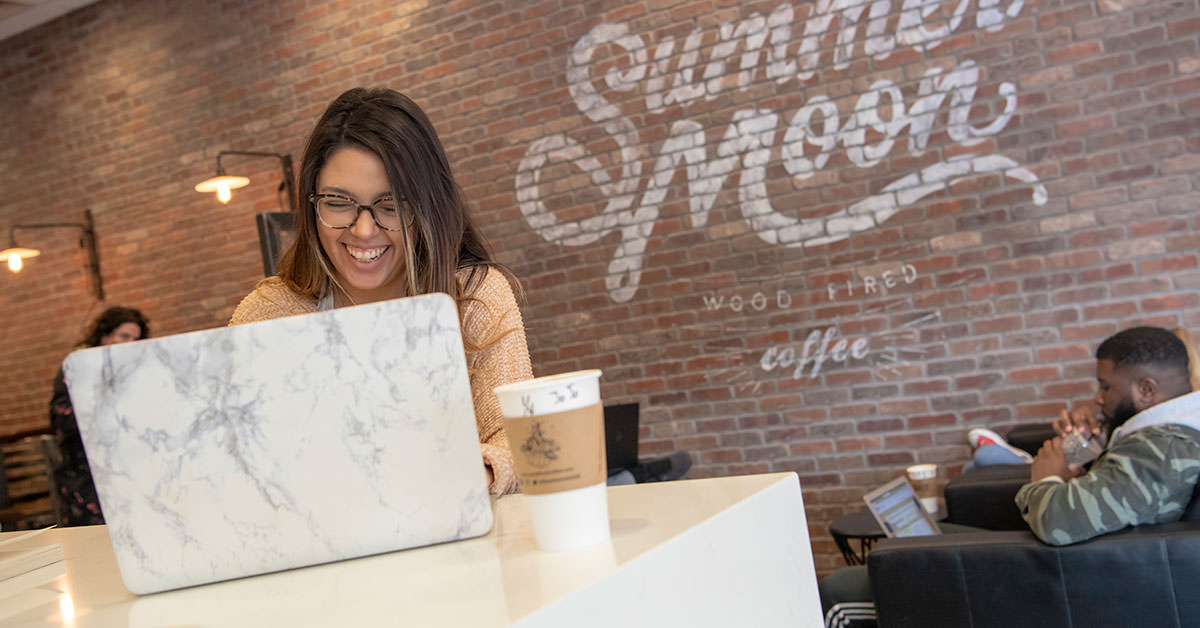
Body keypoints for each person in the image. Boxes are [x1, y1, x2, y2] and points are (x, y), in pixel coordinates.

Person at [229, 87, 531, 496]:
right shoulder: (269, 313)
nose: (363, 229)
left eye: (391, 206)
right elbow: (232, 452)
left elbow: (517, 437)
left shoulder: (475, 295)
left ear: (428, 207)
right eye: (338, 202)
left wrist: (476, 474)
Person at [820, 325, 1200, 627]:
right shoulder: (1160, 436)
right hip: (1069, 564)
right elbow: (1115, 485)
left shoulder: (1164, 448)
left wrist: (1045, 479)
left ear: (1146, 390)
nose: (1098, 398)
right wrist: (1087, 442)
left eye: (1105, 387)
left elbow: (1060, 524)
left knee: (839, 591)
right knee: (918, 541)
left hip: (1069, 580)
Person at [50, 306, 150, 526]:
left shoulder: (134, 373)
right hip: (86, 476)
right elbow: (61, 420)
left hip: (129, 474)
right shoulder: (78, 368)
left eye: (136, 339)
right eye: (124, 336)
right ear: (105, 336)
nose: (130, 344)